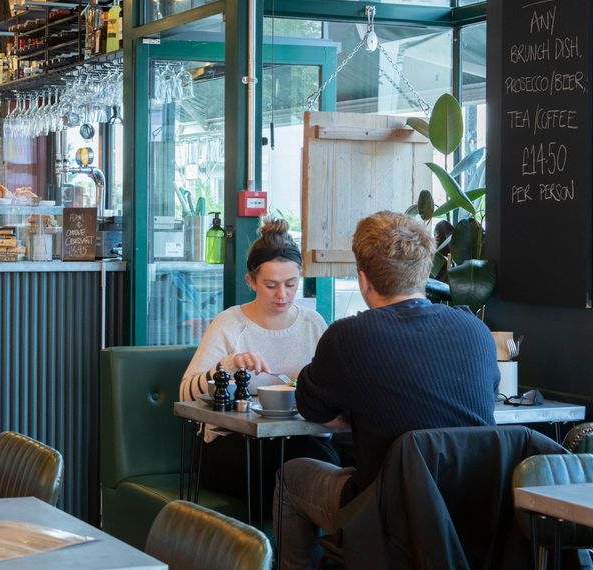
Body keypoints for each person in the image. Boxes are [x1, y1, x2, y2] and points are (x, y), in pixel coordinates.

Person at [275, 211, 499, 570]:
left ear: (364, 281)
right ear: (424, 274)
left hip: (388, 509)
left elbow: (311, 408)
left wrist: (357, 413)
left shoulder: (349, 336)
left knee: (292, 475)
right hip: (474, 509)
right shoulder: (475, 330)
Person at [179, 218, 339, 503]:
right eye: (271, 285)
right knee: (279, 466)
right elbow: (186, 394)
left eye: (291, 284)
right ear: (251, 281)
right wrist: (229, 365)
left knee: (323, 463)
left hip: (299, 439)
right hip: (233, 446)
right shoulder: (229, 323)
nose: (283, 295)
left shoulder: (313, 324)